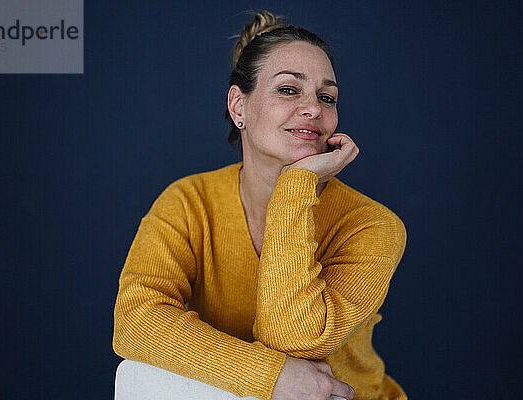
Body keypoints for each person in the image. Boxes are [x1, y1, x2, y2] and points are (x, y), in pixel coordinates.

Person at [113, 10, 407, 400]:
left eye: (327, 97)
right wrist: (269, 375)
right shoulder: (188, 202)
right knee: (134, 374)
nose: (313, 109)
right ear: (239, 107)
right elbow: (136, 321)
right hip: (243, 395)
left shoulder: (373, 225)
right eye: (288, 90)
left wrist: (295, 185)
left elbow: (297, 337)